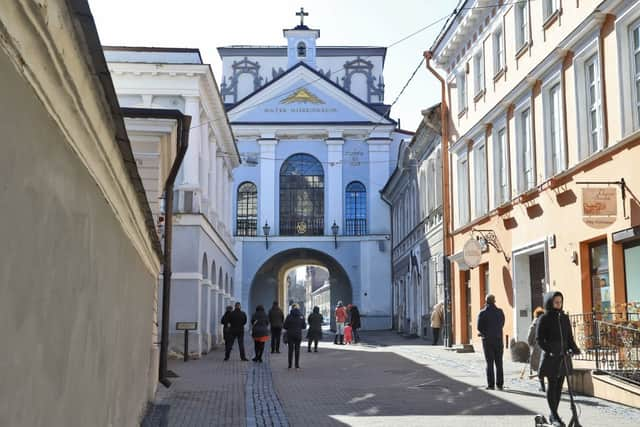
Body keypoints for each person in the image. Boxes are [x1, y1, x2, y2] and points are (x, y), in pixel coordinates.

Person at [536, 291, 580, 427]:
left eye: (560, 302)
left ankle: (553, 413)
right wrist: (550, 350)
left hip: (563, 356)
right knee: (552, 385)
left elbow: (569, 338)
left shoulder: (564, 318)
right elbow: (539, 340)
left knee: (560, 387)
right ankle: (554, 415)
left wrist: (575, 348)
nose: (558, 304)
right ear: (550, 302)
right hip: (551, 357)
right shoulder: (544, 318)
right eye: (556, 302)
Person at [477, 294, 505, 390]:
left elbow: (479, 327)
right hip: (498, 339)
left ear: (486, 301)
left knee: (489, 363)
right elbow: (502, 323)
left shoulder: (483, 313)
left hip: (487, 340)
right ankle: (500, 384)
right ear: (494, 301)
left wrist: (484, 333)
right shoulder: (500, 312)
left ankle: (491, 384)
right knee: (499, 363)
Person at [527, 306, 546, 392]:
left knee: (540, 367)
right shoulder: (546, 322)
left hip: (537, 347)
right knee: (546, 366)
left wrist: (530, 344)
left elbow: (530, 336)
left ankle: (543, 387)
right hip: (546, 347)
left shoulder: (535, 323)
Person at [283, 303, 306, 369]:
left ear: (292, 308)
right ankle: (297, 365)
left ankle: (290, 365)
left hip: (290, 335)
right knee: (297, 349)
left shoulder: (289, 316)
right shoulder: (301, 316)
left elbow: (285, 326)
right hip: (298, 335)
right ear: (298, 308)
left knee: (290, 350)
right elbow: (304, 326)